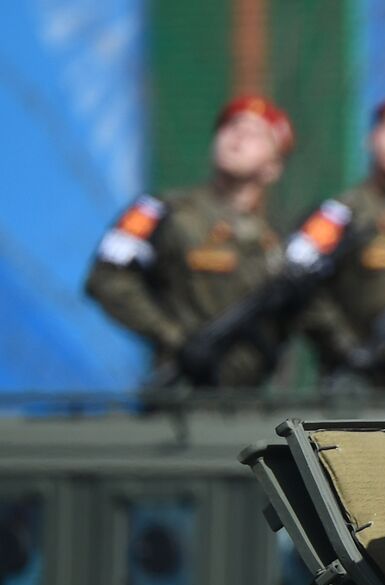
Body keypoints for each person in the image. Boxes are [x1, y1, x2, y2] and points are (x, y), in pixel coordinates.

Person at [85, 96, 294, 386]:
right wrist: (173, 338)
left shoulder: (275, 242)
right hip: (183, 393)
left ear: (273, 167)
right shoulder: (161, 211)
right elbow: (107, 278)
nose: (238, 136)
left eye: (255, 134)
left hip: (252, 398)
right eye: (231, 126)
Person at [283, 92, 385, 395]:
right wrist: (346, 347)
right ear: (372, 137)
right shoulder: (336, 216)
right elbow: (302, 290)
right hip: (344, 383)